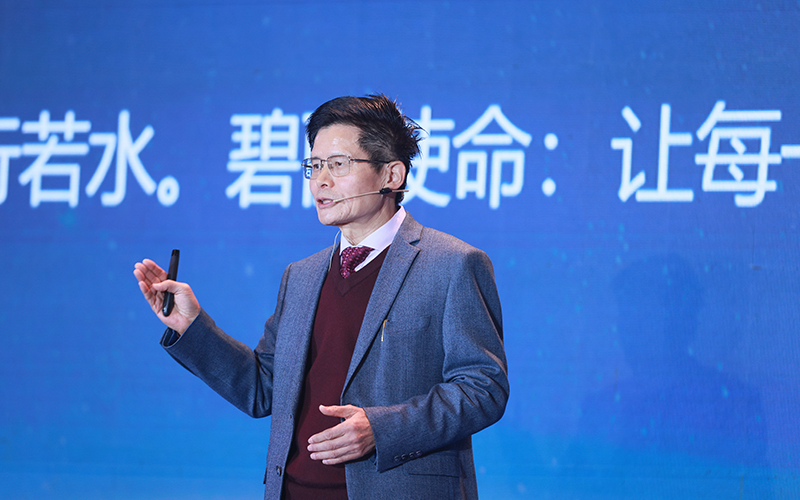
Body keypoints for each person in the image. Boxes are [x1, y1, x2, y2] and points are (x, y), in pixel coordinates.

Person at [133, 94, 509, 500]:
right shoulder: (302, 275)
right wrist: (191, 325)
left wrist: (381, 429)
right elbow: (263, 389)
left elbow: (483, 388)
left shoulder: (451, 263)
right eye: (314, 165)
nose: (320, 181)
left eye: (339, 164)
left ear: (392, 174)